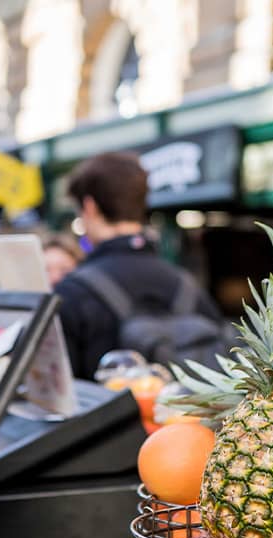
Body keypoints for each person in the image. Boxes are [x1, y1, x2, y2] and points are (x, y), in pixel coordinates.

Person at [54, 152, 224, 380]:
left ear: (90, 207)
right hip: (182, 416)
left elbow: (58, 397)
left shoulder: (71, 293)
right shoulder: (189, 286)